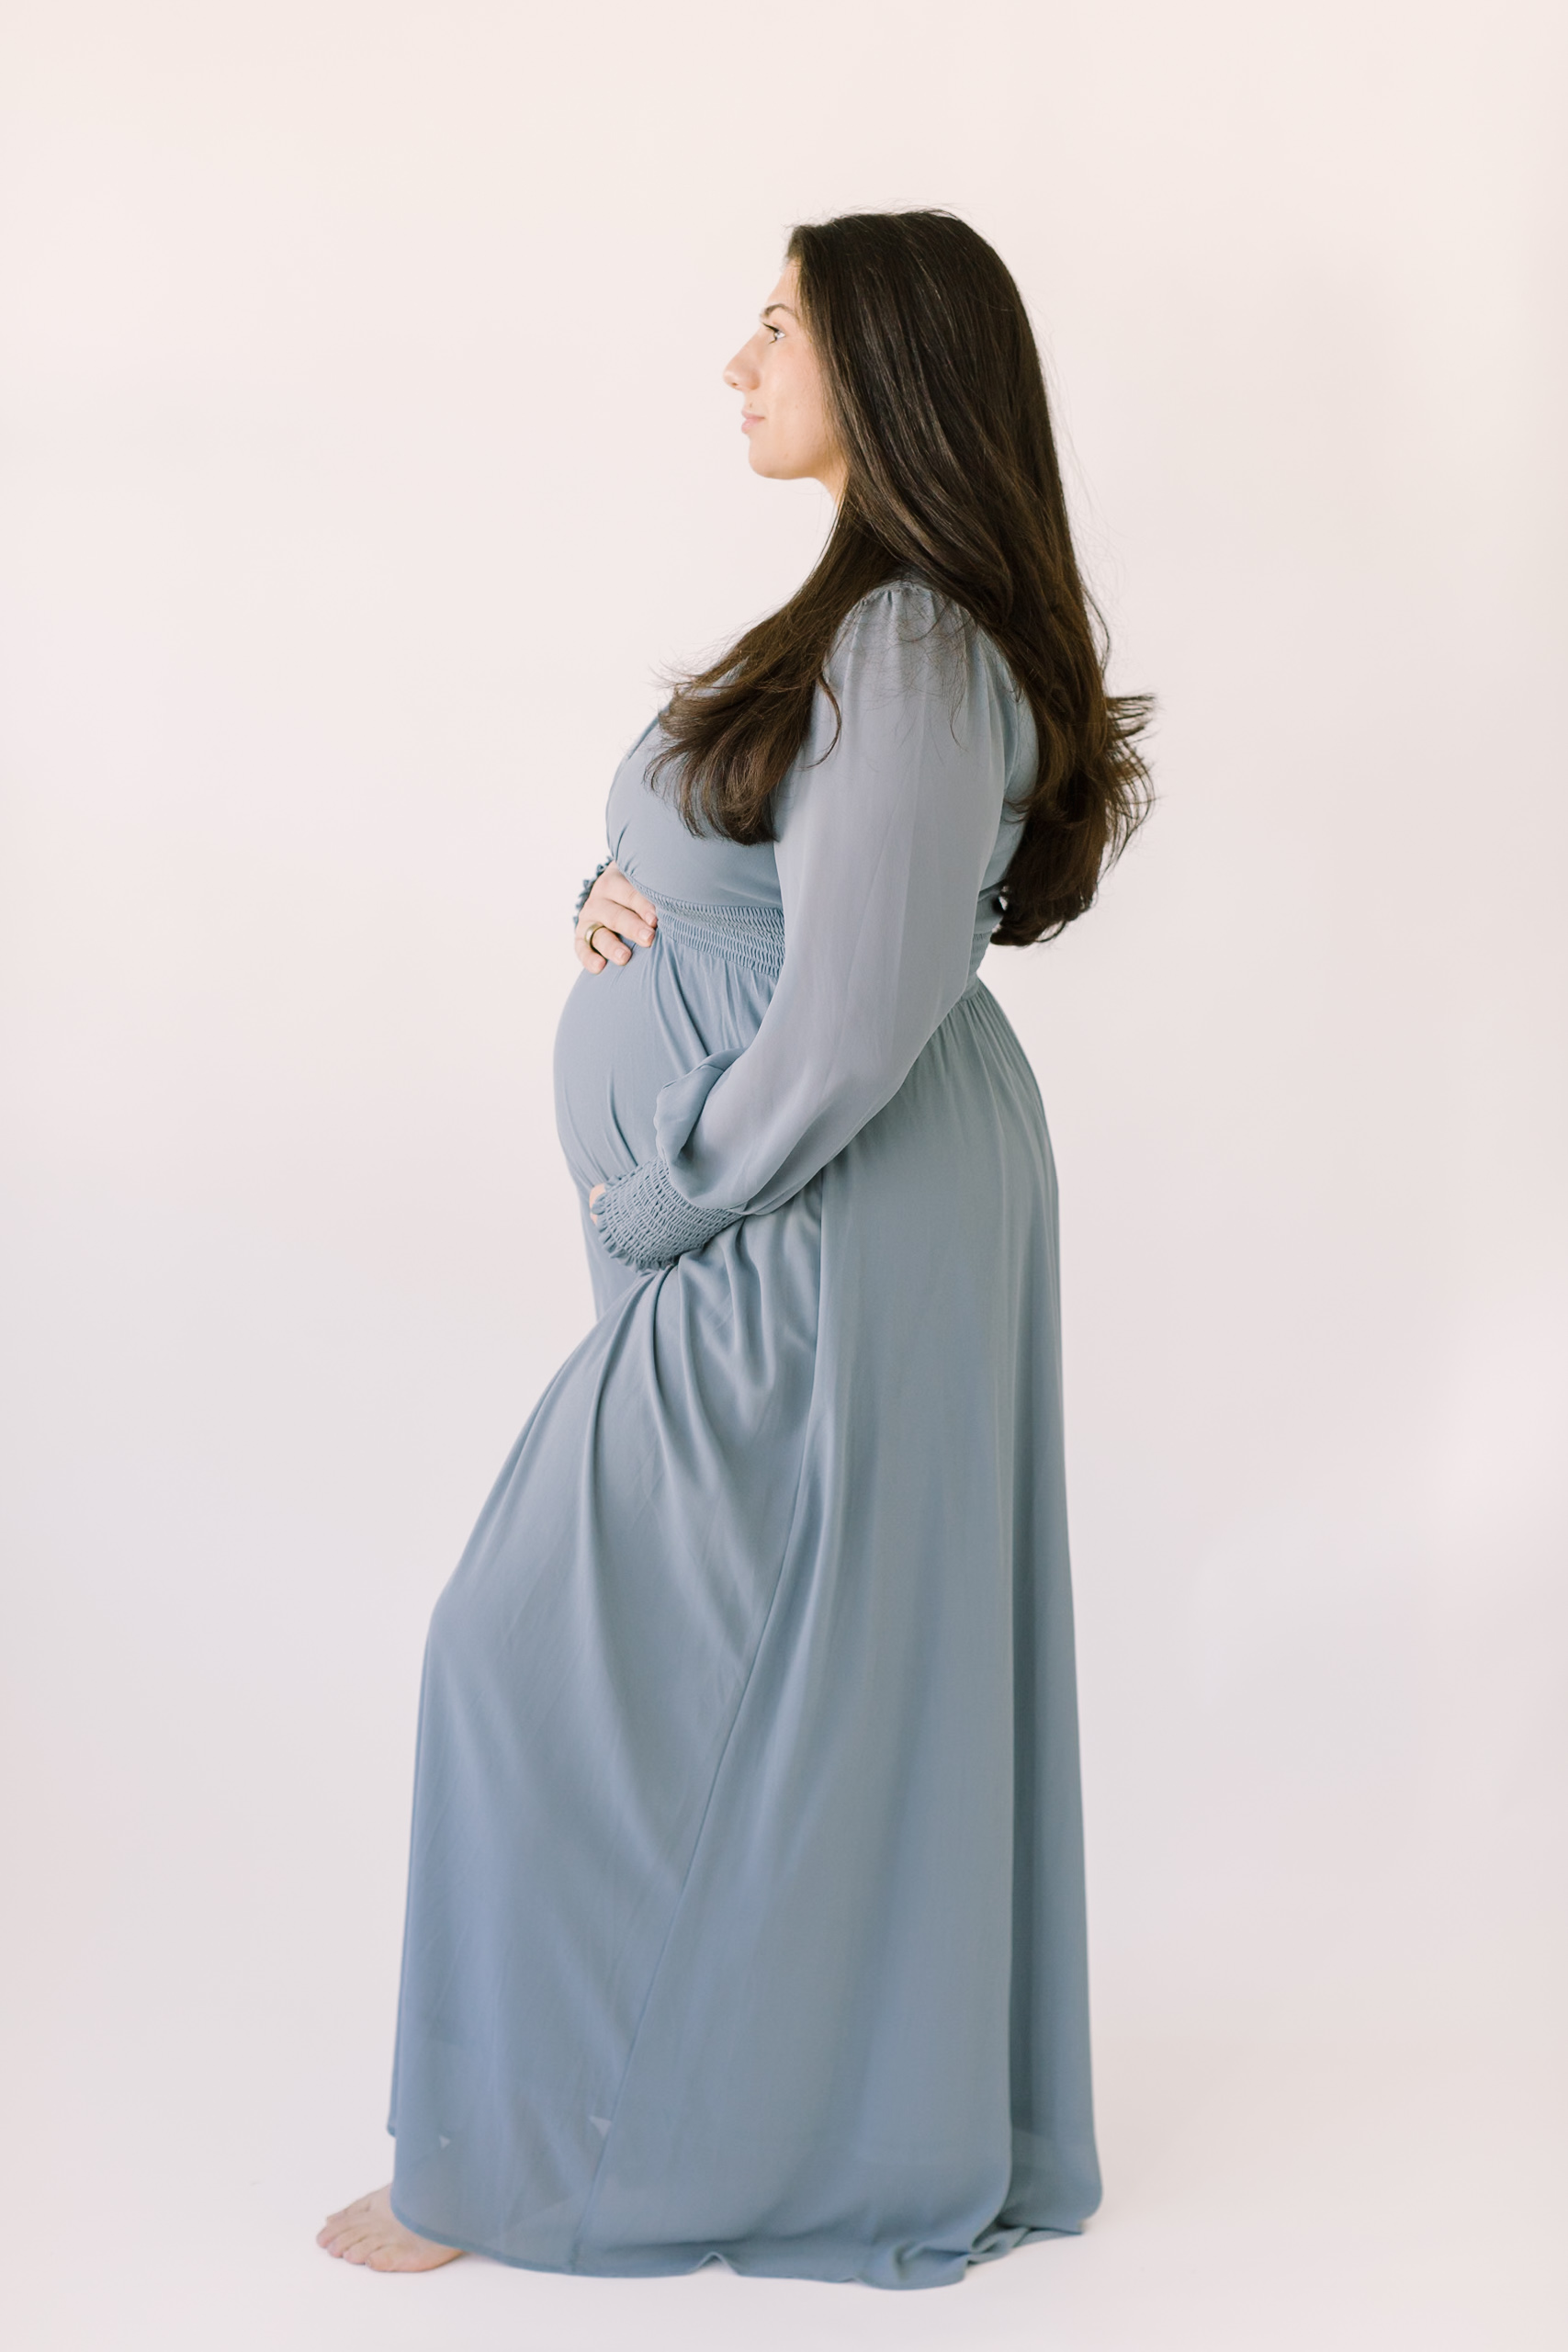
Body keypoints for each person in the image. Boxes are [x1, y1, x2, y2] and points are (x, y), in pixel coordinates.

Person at [319, 209, 1150, 2290]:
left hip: (808, 1212)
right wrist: (632, 904)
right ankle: (707, 2095)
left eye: (774, 322)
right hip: (810, 1210)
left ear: (879, 364)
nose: (736, 360)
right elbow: (787, 896)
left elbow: (855, 1014)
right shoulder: (863, 631)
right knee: (769, 1682)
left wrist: (663, 1186)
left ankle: (534, 2155)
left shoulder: (913, 643)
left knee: (525, 1648)